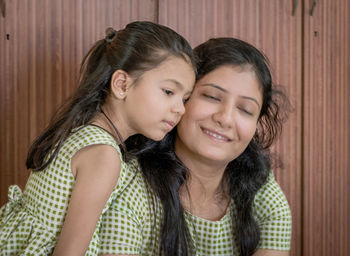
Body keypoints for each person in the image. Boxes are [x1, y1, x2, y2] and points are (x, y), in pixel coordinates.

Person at [0, 21, 196, 255]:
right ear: (122, 84)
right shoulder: (104, 155)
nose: (180, 109)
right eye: (168, 92)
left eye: (184, 99)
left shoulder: (82, 129)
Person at [98, 37, 292, 256]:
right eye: (211, 96)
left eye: (245, 110)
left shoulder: (259, 185)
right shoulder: (128, 182)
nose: (225, 119)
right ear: (182, 99)